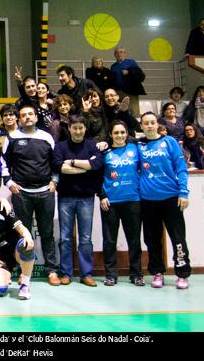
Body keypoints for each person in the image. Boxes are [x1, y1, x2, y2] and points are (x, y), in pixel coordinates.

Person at [1, 105, 61, 286]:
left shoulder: (46, 137)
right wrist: (9, 183)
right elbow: (3, 163)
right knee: (23, 235)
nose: (27, 117)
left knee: (47, 233)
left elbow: (55, 162)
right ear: (19, 119)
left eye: (30, 114)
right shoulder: (11, 138)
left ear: (36, 117)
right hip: (22, 194)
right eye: (23, 115)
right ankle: (23, 272)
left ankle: (52, 271)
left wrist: (55, 180)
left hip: (45, 192)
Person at [138, 112, 191, 289]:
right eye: (146, 123)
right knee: (152, 239)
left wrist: (183, 192)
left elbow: (181, 168)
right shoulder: (139, 145)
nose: (150, 126)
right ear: (142, 126)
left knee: (177, 238)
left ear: (158, 125)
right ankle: (157, 272)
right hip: (148, 200)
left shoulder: (170, 142)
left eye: (152, 122)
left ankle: (182, 274)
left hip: (171, 198)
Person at [53, 115, 103, 287]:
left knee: (86, 238)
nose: (78, 131)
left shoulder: (92, 145)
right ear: (70, 129)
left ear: (85, 129)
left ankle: (86, 273)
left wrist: (73, 162)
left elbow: (96, 165)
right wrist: (85, 167)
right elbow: (60, 167)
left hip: (86, 198)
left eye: (81, 128)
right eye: (75, 128)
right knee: (65, 238)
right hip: (65, 197)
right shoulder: (60, 147)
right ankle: (66, 273)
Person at [98, 120, 144, 287]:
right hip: (110, 202)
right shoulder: (104, 152)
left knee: (134, 240)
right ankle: (111, 275)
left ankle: (136, 274)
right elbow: (97, 176)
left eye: (122, 132)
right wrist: (102, 195)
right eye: (116, 133)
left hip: (133, 201)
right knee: (109, 240)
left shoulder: (136, 148)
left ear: (127, 134)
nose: (119, 135)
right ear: (110, 134)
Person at [110, 47, 146, 116]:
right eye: (117, 52)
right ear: (114, 55)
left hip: (131, 92)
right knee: (120, 112)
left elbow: (139, 74)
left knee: (134, 112)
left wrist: (129, 72)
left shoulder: (131, 62)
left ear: (125, 54)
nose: (119, 54)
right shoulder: (113, 66)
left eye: (121, 52)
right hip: (118, 92)